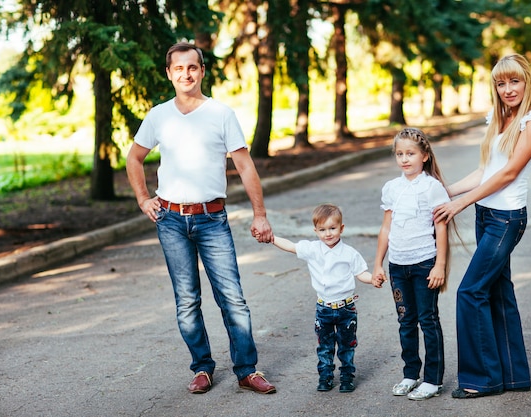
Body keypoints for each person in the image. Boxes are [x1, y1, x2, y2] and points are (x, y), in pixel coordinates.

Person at [126, 41, 276, 395]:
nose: (185, 74)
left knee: (232, 298)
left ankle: (246, 369)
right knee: (187, 300)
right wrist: (143, 199)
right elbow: (134, 158)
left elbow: (244, 165)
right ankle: (202, 367)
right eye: (178, 68)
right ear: (169, 73)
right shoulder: (158, 115)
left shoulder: (221, 114)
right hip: (171, 220)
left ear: (202, 71)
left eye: (192, 67)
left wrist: (260, 214)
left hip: (212, 219)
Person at [433, 54, 531, 399]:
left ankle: (480, 378)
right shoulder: (498, 119)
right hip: (485, 215)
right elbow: (486, 169)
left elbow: (509, 173)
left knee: (470, 292)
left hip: (506, 219)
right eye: (501, 83)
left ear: (526, 81)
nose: (508, 89)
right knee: (499, 293)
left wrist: (460, 203)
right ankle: (514, 375)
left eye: (514, 81)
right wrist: (446, 191)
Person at [372, 127, 451, 401]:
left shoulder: (432, 187)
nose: (405, 159)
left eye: (411, 153)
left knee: (427, 320)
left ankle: (433, 379)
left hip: (424, 264)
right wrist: (378, 264)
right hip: (398, 266)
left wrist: (439, 265)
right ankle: (410, 374)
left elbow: (441, 229)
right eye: (400, 154)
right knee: (406, 320)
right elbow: (386, 229)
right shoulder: (391, 188)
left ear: (425, 156)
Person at [265, 204, 377, 393]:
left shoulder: (349, 253)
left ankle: (347, 377)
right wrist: (272, 238)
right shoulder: (312, 249)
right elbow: (291, 246)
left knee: (346, 346)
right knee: (324, 346)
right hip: (323, 308)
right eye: (322, 230)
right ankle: (325, 377)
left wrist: (373, 279)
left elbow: (361, 273)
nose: (328, 234)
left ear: (341, 228)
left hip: (346, 308)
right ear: (315, 231)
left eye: (332, 228)